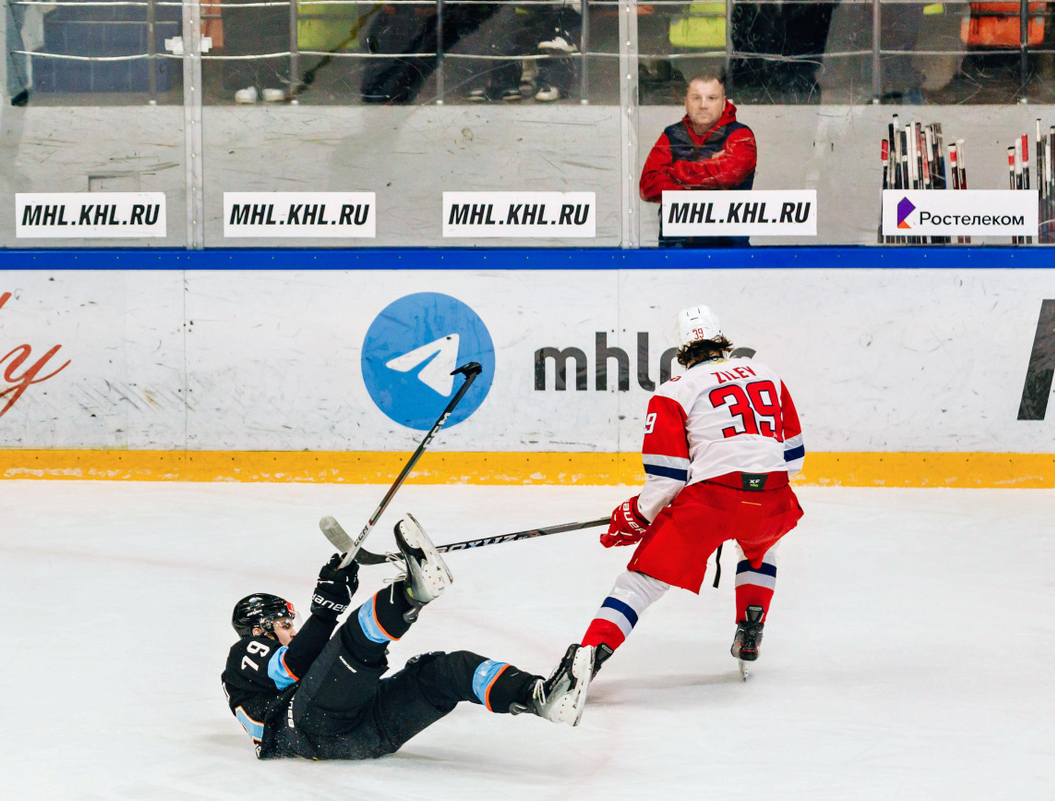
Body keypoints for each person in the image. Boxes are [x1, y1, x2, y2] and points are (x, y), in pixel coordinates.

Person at [222, 514, 594, 760]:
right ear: (259, 630)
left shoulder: (280, 664)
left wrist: (331, 601)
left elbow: (311, 663)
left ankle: (539, 697)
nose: (294, 630)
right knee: (354, 642)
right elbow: (293, 666)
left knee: (443, 673)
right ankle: (410, 593)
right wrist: (325, 609)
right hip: (307, 727)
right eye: (286, 624)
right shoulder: (242, 655)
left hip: (364, 733)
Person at [578, 305, 804, 679]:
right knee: (760, 549)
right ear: (721, 339)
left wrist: (636, 514)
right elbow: (792, 457)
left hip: (713, 502)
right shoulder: (768, 375)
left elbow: (668, 479)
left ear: (680, 350)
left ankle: (586, 659)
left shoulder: (675, 390)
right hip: (775, 497)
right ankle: (751, 626)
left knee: (641, 582)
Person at [639, 71, 758, 248]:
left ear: (724, 103)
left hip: (728, 250)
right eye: (696, 98)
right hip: (674, 250)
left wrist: (674, 171)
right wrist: (710, 178)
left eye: (711, 98)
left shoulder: (741, 135)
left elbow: (728, 174)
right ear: (686, 102)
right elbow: (648, 185)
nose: (703, 105)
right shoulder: (670, 134)